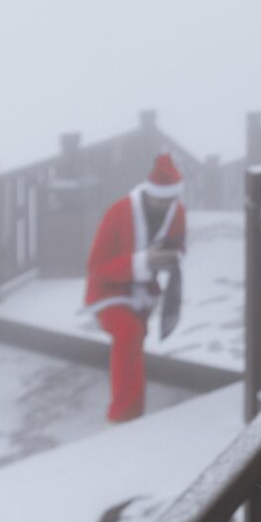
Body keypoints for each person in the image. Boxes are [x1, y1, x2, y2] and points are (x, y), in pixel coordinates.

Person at [84, 153, 187, 422]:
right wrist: (143, 261)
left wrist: (169, 257)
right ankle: (125, 414)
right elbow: (96, 267)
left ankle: (130, 404)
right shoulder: (118, 212)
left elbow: (179, 244)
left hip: (143, 292)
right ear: (148, 193)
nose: (164, 205)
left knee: (135, 336)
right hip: (107, 292)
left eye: (170, 200)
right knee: (128, 333)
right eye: (159, 200)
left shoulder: (176, 210)